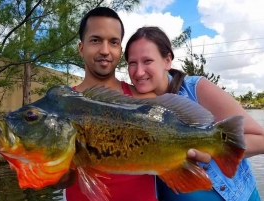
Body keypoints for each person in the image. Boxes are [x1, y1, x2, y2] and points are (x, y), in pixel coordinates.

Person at [55, 7, 211, 201]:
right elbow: (62, 180)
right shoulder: (63, 104)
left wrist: (192, 156)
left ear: (120, 50)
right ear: (81, 47)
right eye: (95, 40)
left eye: (113, 42)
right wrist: (52, 171)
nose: (104, 50)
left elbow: (176, 158)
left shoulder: (144, 99)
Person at [124, 26, 264, 201]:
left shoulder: (196, 88)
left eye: (147, 61)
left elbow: (261, 138)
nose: (138, 72)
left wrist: (210, 148)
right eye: (132, 63)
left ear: (167, 61)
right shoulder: (130, 104)